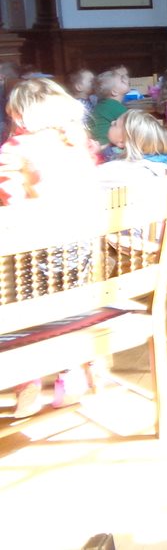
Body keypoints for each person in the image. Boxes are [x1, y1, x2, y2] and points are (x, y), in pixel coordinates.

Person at [0, 77, 103, 416]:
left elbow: (10, 205)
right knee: (66, 305)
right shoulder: (77, 144)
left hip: (38, 259)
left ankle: (26, 380)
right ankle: (73, 373)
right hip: (80, 254)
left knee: (11, 295)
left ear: (19, 115)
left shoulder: (15, 149)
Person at [98, 110, 167, 193]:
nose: (112, 122)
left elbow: (92, 178)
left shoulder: (123, 169)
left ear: (122, 142)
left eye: (115, 124)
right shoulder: (165, 165)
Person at [89, 68, 129, 149]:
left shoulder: (103, 104)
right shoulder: (114, 106)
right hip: (107, 147)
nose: (125, 80)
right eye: (122, 80)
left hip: (98, 145)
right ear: (114, 92)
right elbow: (133, 122)